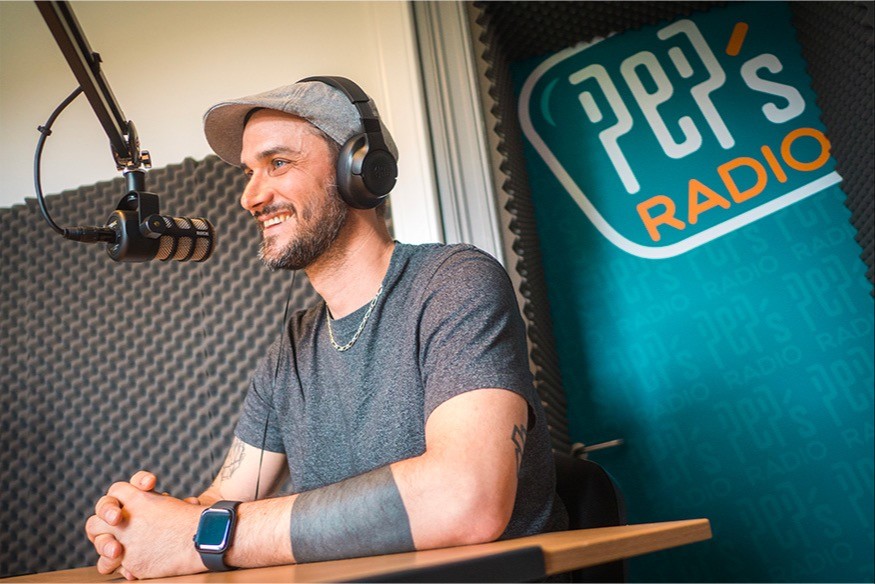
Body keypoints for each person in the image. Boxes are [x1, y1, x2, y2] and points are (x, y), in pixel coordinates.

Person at [85, 76, 568, 580]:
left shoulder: (453, 283)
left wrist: (204, 537)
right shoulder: (291, 349)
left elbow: (467, 499)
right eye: (249, 172)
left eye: (278, 163)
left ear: (360, 170)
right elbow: (219, 501)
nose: (250, 197)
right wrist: (142, 526)